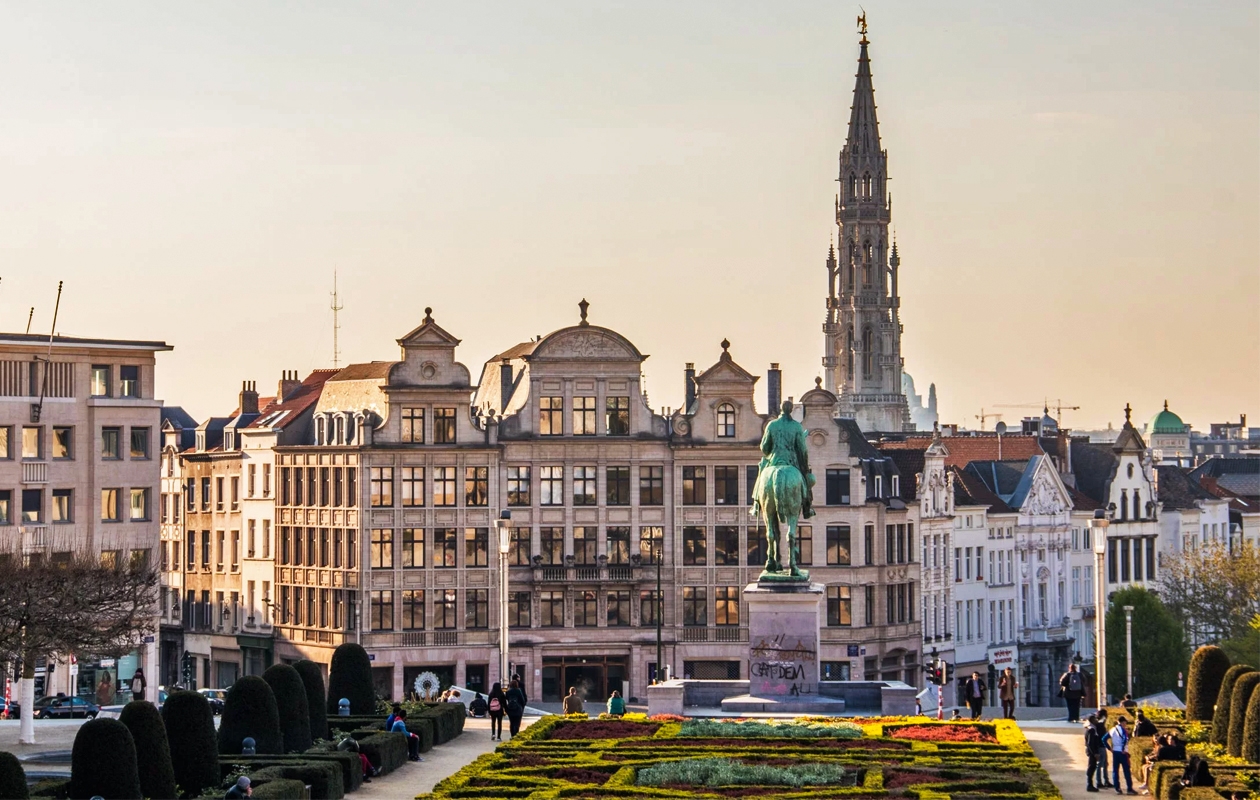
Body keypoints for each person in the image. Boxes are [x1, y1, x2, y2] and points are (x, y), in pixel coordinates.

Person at [1108, 716, 1137, 795]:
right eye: (1125, 722)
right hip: (1122, 752)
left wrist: (1110, 748)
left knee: (1115, 771)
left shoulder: (1113, 729)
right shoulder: (1124, 730)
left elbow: (1104, 739)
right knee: (1126, 771)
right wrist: (1124, 749)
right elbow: (1124, 739)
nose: (1125, 724)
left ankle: (1117, 789)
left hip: (1115, 752)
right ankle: (1129, 789)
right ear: (1122, 722)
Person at [1094, 712, 1113, 788]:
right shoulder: (1101, 726)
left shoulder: (1098, 725)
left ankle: (1105, 781)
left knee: (1104, 764)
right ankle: (1100, 782)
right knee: (1101, 764)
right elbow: (1102, 738)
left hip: (1101, 747)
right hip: (1101, 747)